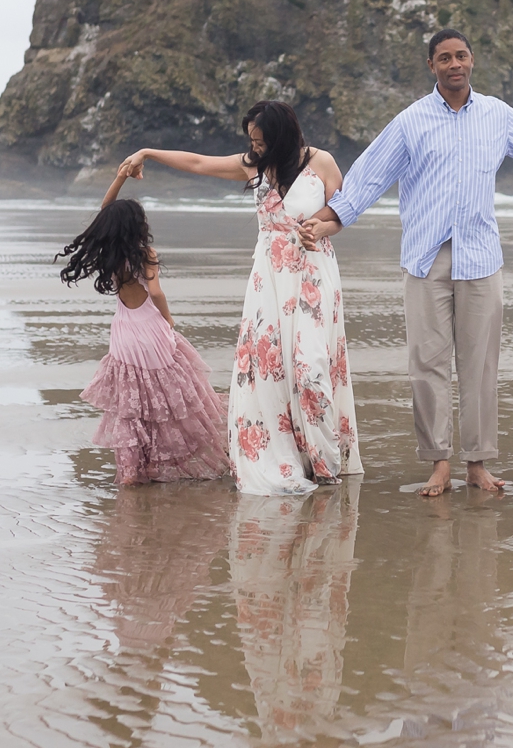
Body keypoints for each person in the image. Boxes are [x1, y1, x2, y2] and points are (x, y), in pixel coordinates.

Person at [299, 28, 513, 497]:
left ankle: (478, 464)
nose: (454, 64)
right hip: (425, 257)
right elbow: (367, 175)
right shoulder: (411, 120)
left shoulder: (496, 115)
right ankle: (439, 464)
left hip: (481, 257)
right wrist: (330, 220)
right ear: (432, 66)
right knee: (427, 364)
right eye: (444, 58)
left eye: (461, 55)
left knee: (481, 366)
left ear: (472, 60)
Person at [118, 101, 361, 496]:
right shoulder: (253, 166)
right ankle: (288, 457)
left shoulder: (323, 163)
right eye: (252, 141)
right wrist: (148, 152)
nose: (256, 148)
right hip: (269, 278)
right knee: (271, 370)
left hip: (313, 273)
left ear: (283, 135)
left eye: (262, 141)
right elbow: (198, 163)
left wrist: (320, 228)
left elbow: (343, 213)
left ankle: (325, 460)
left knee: (310, 366)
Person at [58, 161, 230, 485]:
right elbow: (156, 292)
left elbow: (105, 209)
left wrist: (121, 176)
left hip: (123, 334)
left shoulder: (109, 251)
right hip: (150, 330)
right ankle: (178, 461)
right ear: (138, 226)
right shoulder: (145, 252)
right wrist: (169, 319)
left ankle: (133, 472)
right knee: (171, 401)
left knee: (132, 405)